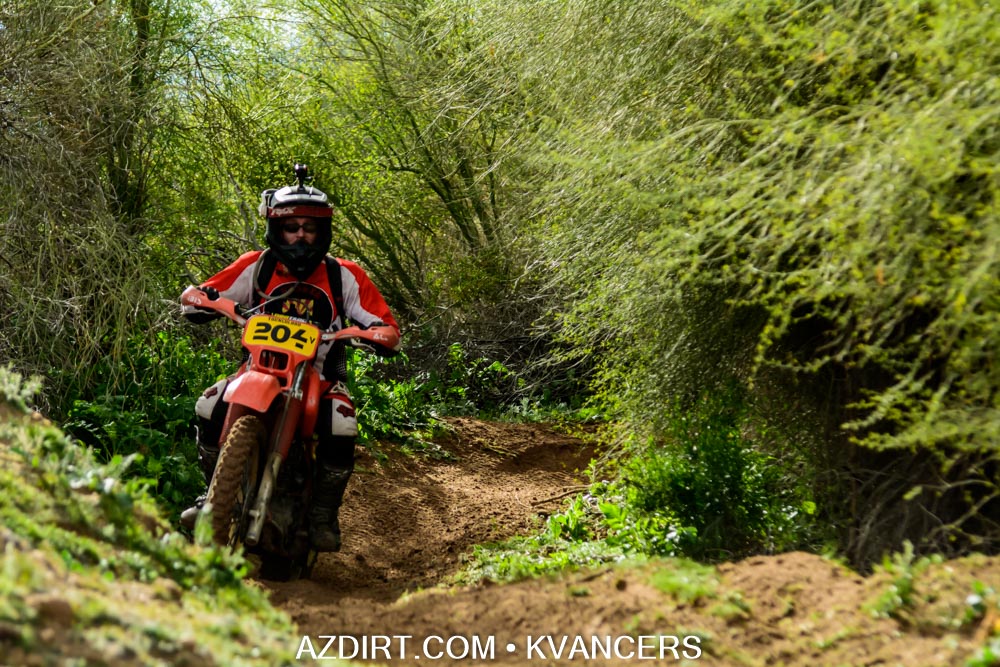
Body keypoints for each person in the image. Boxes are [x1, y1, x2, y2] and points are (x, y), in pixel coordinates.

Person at [179, 164, 401, 552]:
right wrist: (204, 300)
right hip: (257, 371)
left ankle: (322, 515)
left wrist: (376, 333)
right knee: (208, 405)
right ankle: (212, 495)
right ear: (275, 228)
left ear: (323, 230)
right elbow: (204, 292)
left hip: (320, 378)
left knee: (342, 424)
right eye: (291, 227)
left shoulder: (344, 275)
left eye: (309, 228)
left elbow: (385, 324)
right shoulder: (257, 265)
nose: (300, 235)